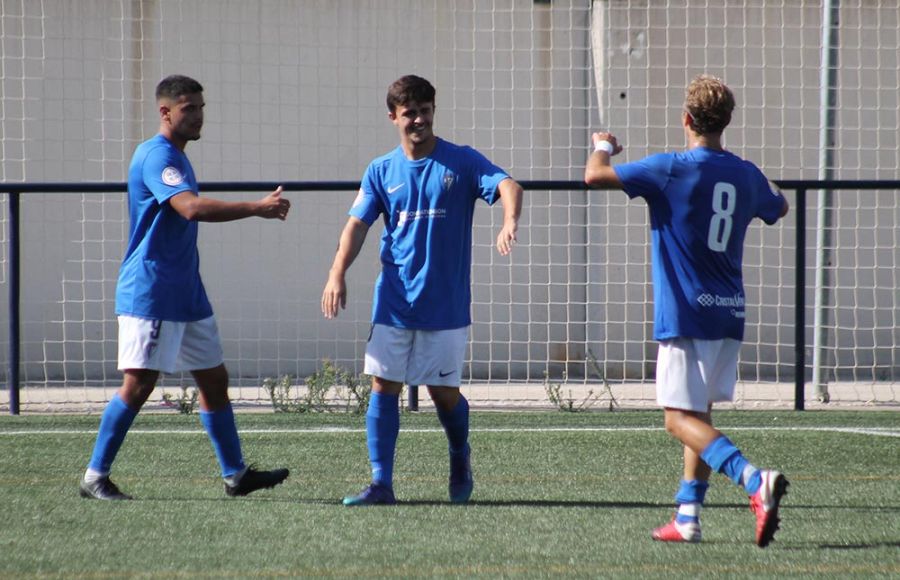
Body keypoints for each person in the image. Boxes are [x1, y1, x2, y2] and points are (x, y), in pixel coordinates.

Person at [584, 74, 790, 547]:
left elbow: (593, 175)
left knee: (677, 419)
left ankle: (753, 480)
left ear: (686, 120)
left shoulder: (671, 168)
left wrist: (603, 145)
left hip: (686, 313)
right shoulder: (745, 172)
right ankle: (687, 515)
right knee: (699, 415)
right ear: (727, 122)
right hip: (730, 313)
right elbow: (779, 207)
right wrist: (754, 176)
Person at [79, 75, 291, 500]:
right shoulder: (158, 157)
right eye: (188, 108)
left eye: (200, 107)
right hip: (152, 290)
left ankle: (235, 475)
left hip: (186, 291)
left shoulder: (177, 155)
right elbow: (190, 208)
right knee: (139, 385)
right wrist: (257, 208)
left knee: (214, 379)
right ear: (166, 112)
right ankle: (94, 478)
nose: (197, 115)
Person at [321, 75, 523, 506]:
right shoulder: (380, 170)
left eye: (425, 110)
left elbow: (508, 185)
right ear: (393, 116)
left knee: (442, 393)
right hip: (393, 302)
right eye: (409, 112)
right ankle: (381, 484)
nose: (419, 119)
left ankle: (458, 454)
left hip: (444, 306)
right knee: (383, 385)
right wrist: (337, 272)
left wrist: (509, 220)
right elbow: (357, 225)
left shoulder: (461, 162)